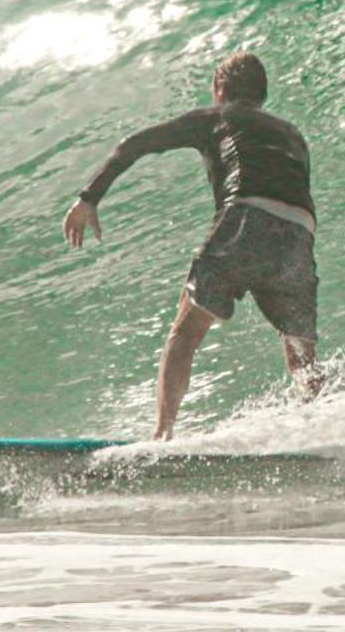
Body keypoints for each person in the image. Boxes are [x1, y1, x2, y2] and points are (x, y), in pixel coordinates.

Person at [63, 51, 320, 440]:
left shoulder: (218, 116)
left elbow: (136, 143)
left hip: (247, 220)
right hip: (301, 232)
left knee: (185, 333)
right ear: (262, 94)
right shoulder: (293, 134)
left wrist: (89, 197)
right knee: (299, 347)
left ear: (220, 90)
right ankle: (316, 427)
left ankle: (162, 437)